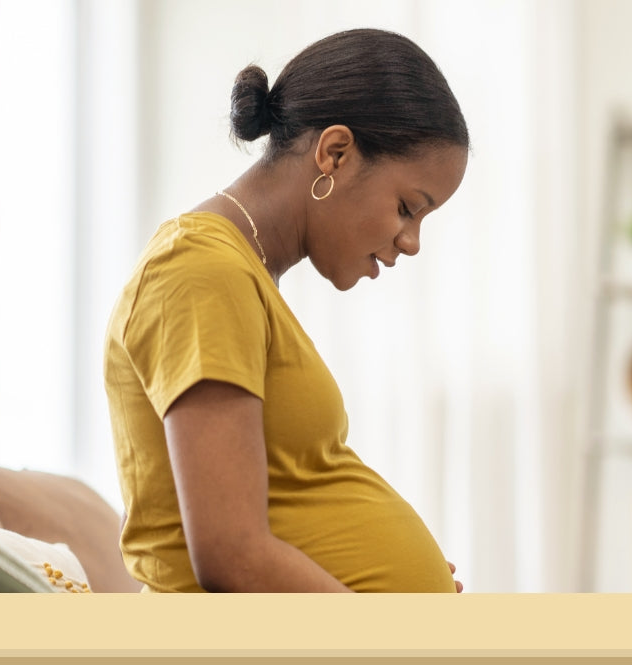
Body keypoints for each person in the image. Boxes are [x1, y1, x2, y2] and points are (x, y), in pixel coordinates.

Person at [103, 28, 469, 593]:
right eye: (406, 208)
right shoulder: (199, 270)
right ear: (335, 152)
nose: (412, 241)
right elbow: (232, 555)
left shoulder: (243, 273)